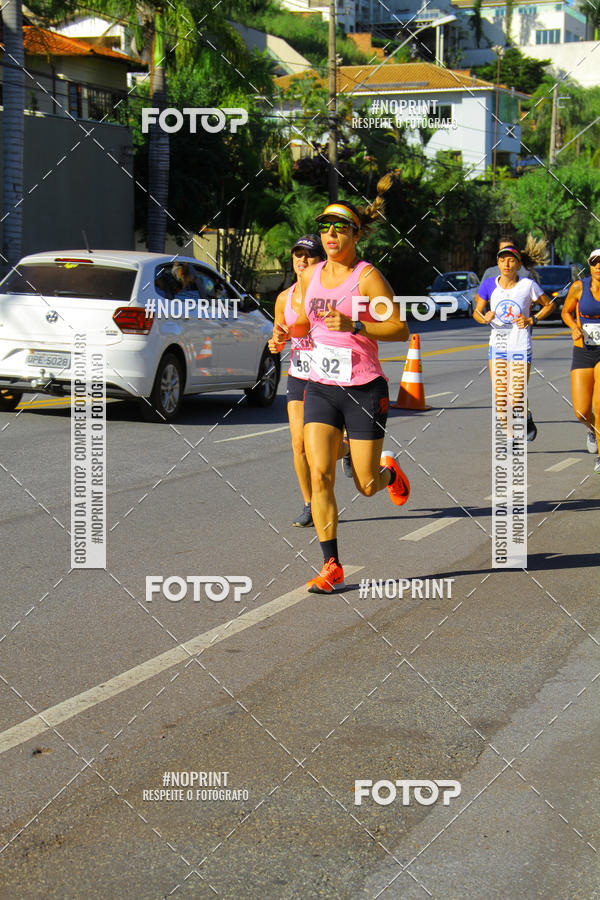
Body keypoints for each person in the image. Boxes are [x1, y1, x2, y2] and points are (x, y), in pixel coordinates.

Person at [273, 178, 411, 593]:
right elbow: (300, 321)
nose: (330, 235)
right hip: (319, 385)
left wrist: (357, 325)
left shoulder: (366, 277)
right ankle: (332, 564)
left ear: (356, 234)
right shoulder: (311, 275)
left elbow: (400, 328)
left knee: (365, 484)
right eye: (325, 227)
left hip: (364, 387)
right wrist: (283, 334)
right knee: (320, 474)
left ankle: (389, 473)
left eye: (340, 228)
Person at [269, 235, 326, 526]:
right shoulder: (284, 298)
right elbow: (278, 338)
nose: (302, 261)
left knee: (322, 447)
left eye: (309, 256)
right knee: (299, 443)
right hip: (300, 373)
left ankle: (348, 449)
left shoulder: (331, 293)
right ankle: (309, 504)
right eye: (298, 255)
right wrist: (276, 341)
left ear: (321, 261)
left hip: (329, 376)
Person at [474, 244, 555, 440]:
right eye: (502, 260)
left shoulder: (527, 285)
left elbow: (549, 305)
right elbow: (477, 311)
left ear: (518, 264)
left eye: (511, 260)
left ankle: (525, 415)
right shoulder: (488, 285)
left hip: (520, 346)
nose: (506, 264)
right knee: (501, 399)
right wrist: (484, 317)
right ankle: (511, 438)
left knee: (516, 397)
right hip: (498, 347)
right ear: (497, 263)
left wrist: (531, 319)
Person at [561, 248, 600, 473]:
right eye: (595, 263)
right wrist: (574, 327)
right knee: (582, 411)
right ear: (590, 265)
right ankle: (592, 429)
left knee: (599, 405)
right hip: (583, 351)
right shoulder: (579, 287)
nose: (598, 266)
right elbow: (566, 312)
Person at [480, 233, 546, 284]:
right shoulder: (490, 273)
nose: (506, 253)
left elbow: (538, 299)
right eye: (502, 250)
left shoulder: (526, 274)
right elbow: (479, 298)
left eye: (509, 250)